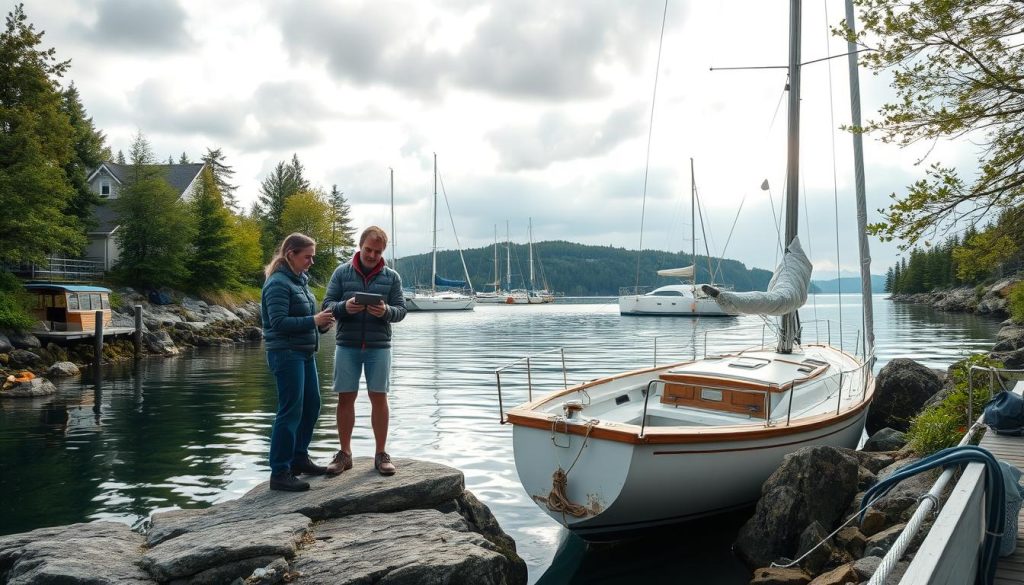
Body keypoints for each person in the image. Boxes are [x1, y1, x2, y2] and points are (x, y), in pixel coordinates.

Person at [322, 226, 407, 476]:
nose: (372, 255)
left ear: (383, 252)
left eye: (377, 251)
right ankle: (345, 454)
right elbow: (327, 305)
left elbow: (401, 310)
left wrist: (386, 312)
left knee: (378, 398)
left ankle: (381, 454)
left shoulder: (392, 277)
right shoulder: (341, 272)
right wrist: (344, 307)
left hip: (378, 346)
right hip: (346, 344)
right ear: (360, 246)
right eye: (368, 249)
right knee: (345, 398)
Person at [261, 233, 335, 491]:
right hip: (286, 353)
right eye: (308, 256)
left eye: (312, 256)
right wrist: (314, 321)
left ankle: (299, 458)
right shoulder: (278, 284)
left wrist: (322, 325)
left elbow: (304, 318)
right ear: (291, 254)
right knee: (290, 410)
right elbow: (279, 323)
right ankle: (279, 472)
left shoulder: (299, 281)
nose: (311, 262)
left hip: (304, 352)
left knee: (312, 405)